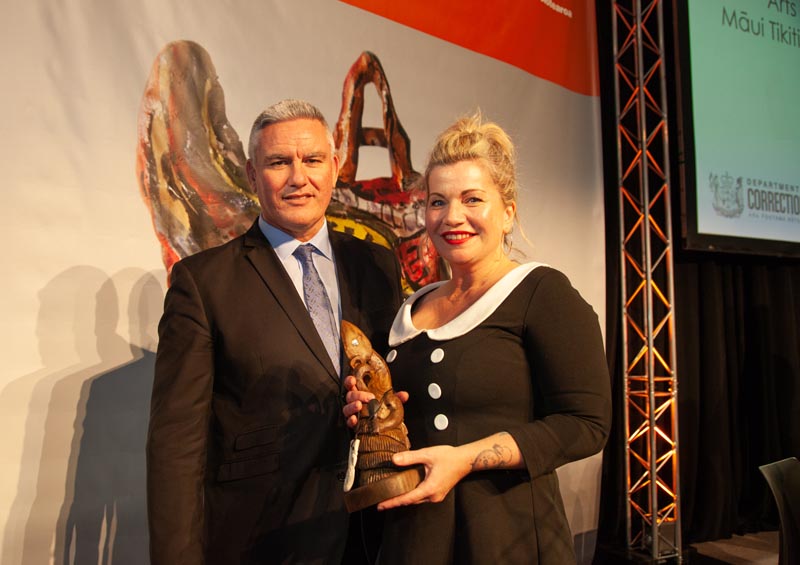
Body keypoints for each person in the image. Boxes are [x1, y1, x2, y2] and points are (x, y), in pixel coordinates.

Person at [343, 113, 612, 564]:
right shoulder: (411, 306)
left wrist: (466, 459)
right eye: (437, 202)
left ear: (507, 211)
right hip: (411, 542)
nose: (453, 217)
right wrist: (363, 409)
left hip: (505, 540)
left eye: (472, 199)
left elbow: (587, 424)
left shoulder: (541, 293)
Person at [147, 99, 403, 564]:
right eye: (279, 162)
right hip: (262, 542)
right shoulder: (203, 284)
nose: (298, 178)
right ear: (251, 174)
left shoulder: (376, 264)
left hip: (372, 534)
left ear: (335, 167)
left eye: (312, 160)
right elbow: (175, 450)